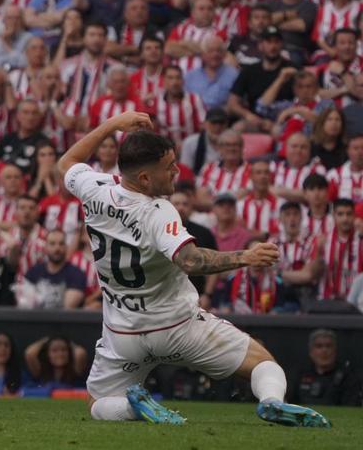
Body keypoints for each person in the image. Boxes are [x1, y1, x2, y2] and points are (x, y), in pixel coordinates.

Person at [57, 110, 329, 426]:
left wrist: (112, 125)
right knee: (262, 363)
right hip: (177, 326)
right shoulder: (157, 211)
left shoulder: (95, 187)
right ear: (145, 178)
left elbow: (66, 163)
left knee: (97, 403)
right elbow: (190, 260)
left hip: (123, 333)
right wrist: (246, 257)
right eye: (168, 166)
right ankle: (271, 401)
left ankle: (134, 409)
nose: (176, 170)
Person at [16, 229, 88, 309]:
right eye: (52, 244)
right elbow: (24, 304)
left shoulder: (76, 274)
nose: (57, 248)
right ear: (45, 247)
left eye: (61, 244)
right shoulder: (34, 271)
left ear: (66, 247)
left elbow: (68, 308)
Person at [290, 329, 362, 406]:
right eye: (319, 346)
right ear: (311, 352)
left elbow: (351, 407)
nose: (324, 350)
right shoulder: (301, 375)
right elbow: (291, 403)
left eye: (328, 346)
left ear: (335, 350)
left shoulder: (348, 376)